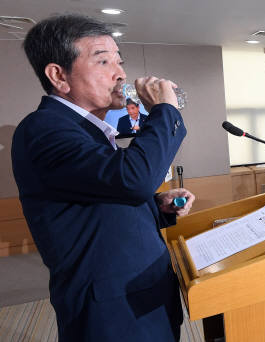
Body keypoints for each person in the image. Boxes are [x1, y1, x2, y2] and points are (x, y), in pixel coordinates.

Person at [12, 15, 193, 341]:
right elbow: (133, 179)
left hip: (141, 296)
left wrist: (158, 206)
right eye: (103, 61)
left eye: (119, 61)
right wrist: (165, 111)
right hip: (112, 313)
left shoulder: (89, 132)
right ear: (59, 76)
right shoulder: (44, 129)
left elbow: (106, 195)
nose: (120, 73)